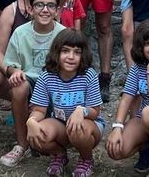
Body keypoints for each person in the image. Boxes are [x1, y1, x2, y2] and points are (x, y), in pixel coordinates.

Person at [0, 0, 69, 166]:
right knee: (18, 88)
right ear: (30, 8)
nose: (45, 10)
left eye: (50, 6)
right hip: (30, 81)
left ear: (57, 10)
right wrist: (14, 71)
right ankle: (22, 144)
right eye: (39, 5)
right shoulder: (20, 33)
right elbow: (10, 62)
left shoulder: (63, 34)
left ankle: (55, 139)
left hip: (55, 83)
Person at [27, 29, 105, 177]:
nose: (71, 57)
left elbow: (95, 111)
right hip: (60, 124)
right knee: (37, 133)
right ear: (57, 52)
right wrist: (31, 121)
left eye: (77, 52)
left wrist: (81, 111)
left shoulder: (88, 75)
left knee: (78, 127)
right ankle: (59, 155)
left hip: (89, 127)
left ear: (83, 55)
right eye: (65, 51)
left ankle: (86, 159)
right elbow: (39, 110)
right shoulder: (46, 77)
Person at [106, 19, 149, 175]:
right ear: (140, 46)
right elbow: (126, 98)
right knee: (116, 150)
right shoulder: (138, 67)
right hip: (144, 120)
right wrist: (117, 127)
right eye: (147, 43)